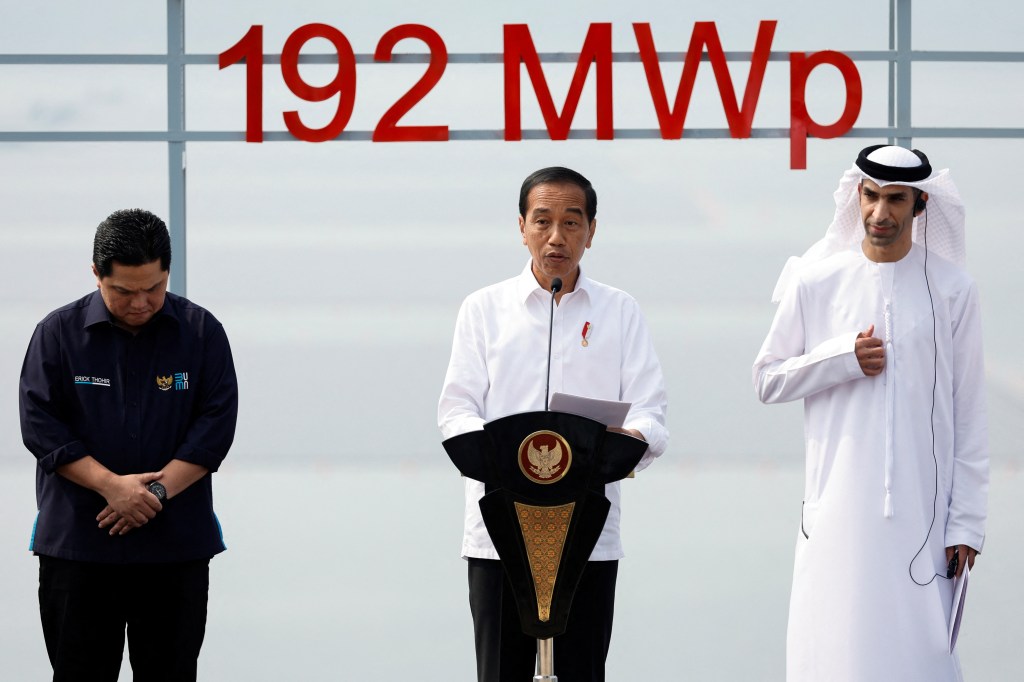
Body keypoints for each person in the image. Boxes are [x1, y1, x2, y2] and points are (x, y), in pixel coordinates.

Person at [753, 145, 988, 681]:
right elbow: (766, 378)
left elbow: (970, 412)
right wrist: (841, 358)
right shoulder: (816, 281)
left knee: (921, 658)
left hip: (924, 518)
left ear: (920, 205)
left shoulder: (954, 291)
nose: (880, 213)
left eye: (895, 200)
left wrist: (968, 522)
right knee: (834, 652)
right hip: (836, 511)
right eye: (871, 196)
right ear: (857, 196)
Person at [438, 167, 668, 682]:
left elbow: (651, 412)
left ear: (592, 230)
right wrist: (491, 452)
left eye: (571, 221)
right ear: (521, 226)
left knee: (583, 671)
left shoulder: (620, 312)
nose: (556, 237)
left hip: (588, 530)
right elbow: (456, 412)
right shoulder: (483, 309)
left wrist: (633, 440)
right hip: (499, 534)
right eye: (542, 221)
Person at [19, 209, 238, 682]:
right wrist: (111, 487)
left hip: (174, 548)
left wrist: (152, 495)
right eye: (124, 291)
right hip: (79, 547)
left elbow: (215, 427)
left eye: (154, 288)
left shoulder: (202, 333)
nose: (141, 302)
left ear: (167, 272)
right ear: (96, 274)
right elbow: (39, 425)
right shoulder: (57, 334)